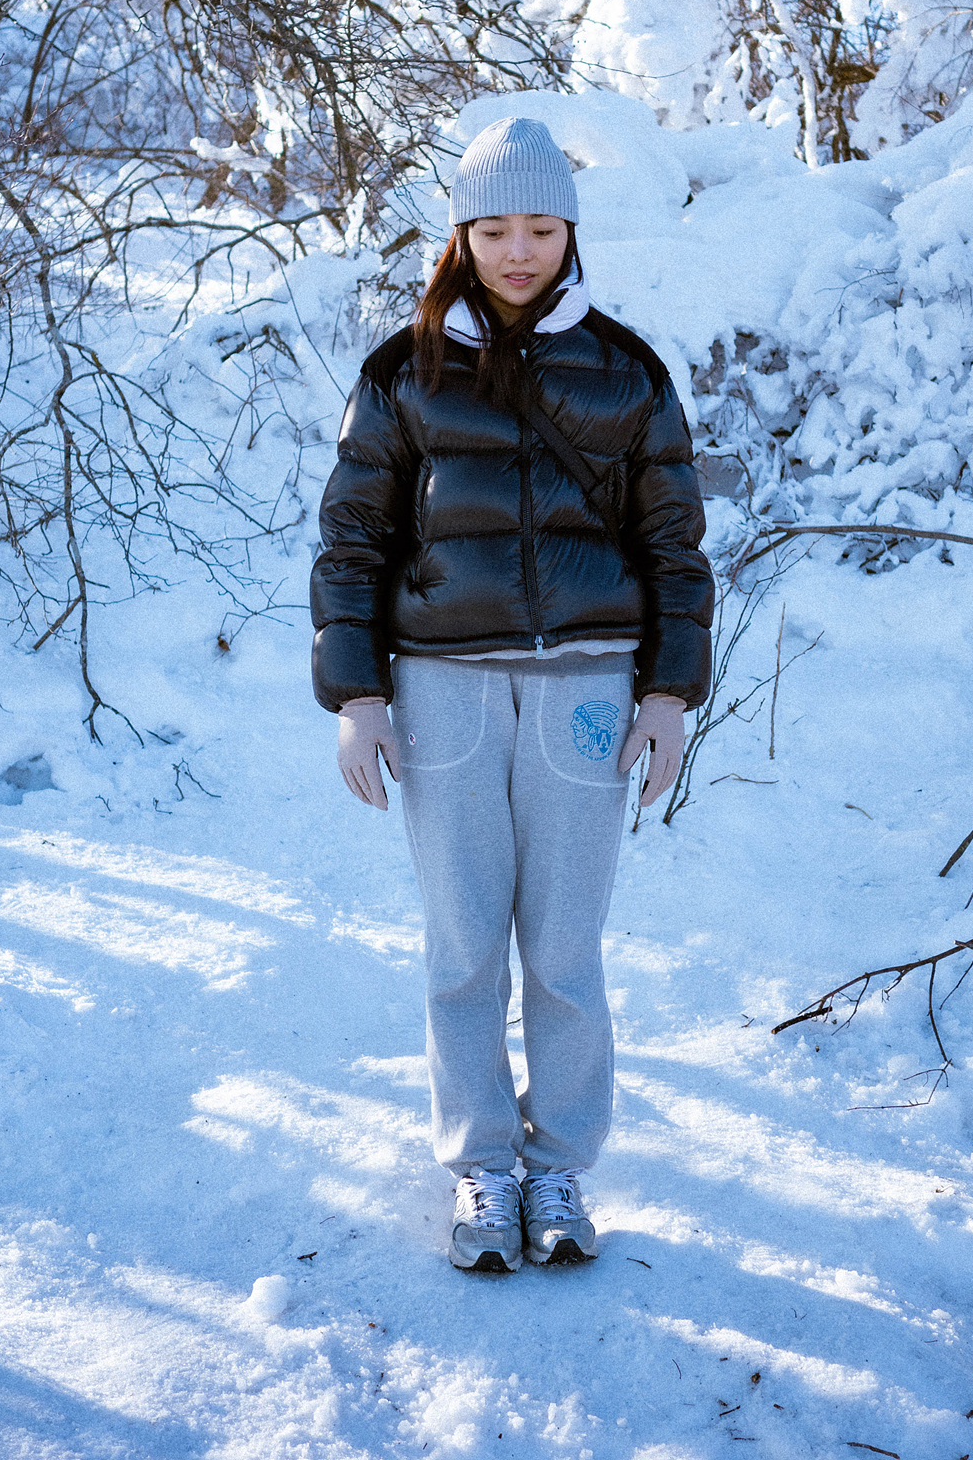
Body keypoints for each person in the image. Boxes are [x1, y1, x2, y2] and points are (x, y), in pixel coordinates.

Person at [310, 114, 714, 1273]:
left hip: (586, 683)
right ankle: (482, 1164)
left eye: (540, 226)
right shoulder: (402, 372)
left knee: (564, 944)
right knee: (462, 941)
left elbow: (673, 544)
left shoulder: (627, 370)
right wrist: (357, 694)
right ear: (460, 235)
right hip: (442, 685)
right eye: (494, 229)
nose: (519, 250)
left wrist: (666, 691)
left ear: (571, 230)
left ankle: (559, 1164)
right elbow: (351, 541)